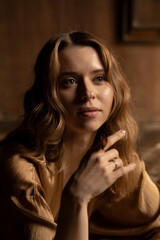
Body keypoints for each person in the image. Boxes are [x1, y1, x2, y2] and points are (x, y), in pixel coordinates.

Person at [0, 31, 160, 240]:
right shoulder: (21, 169)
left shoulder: (115, 157)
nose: (88, 93)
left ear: (114, 89)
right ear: (47, 94)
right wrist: (78, 196)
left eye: (99, 78)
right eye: (70, 81)